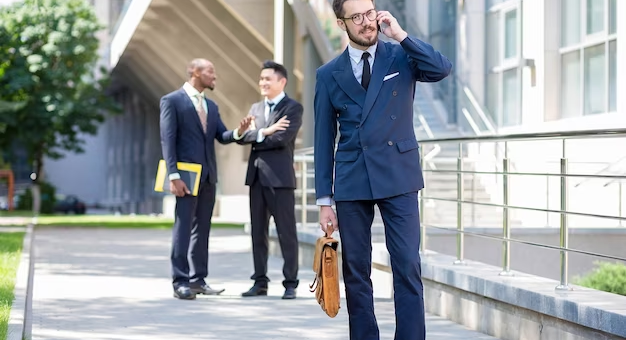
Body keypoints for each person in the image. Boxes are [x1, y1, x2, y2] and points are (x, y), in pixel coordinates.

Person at [313, 0, 452, 339]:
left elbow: (441, 69)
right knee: (356, 271)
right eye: (356, 17)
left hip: (399, 174)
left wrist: (402, 35)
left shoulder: (401, 55)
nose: (366, 22)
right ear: (341, 23)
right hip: (352, 178)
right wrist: (324, 200)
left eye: (370, 12)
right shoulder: (328, 74)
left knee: (407, 265)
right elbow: (323, 139)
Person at [160, 58, 254, 300]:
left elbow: (221, 136)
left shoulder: (211, 106)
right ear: (194, 71)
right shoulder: (172, 101)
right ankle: (180, 281)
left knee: (202, 230)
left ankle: (198, 280)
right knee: (183, 229)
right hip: (186, 177)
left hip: (209, 177)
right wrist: (173, 175)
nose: (215, 76)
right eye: (210, 71)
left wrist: (238, 132)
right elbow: (167, 141)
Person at [235, 60, 303, 300]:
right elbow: (242, 138)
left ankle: (290, 283)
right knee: (258, 233)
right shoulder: (255, 108)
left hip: (280, 179)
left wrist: (257, 136)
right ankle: (260, 281)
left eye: (268, 79)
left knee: (287, 232)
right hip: (256, 178)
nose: (262, 83)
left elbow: (282, 139)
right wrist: (264, 132)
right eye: (261, 79)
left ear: (281, 81)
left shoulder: (292, 108)